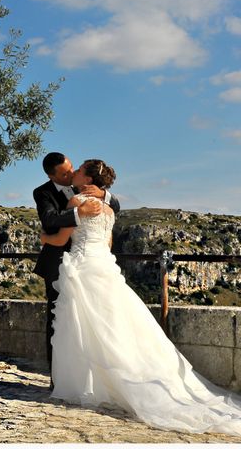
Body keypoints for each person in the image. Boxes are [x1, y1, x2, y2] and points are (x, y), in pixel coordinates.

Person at [40, 159, 241, 436]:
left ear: (87, 179)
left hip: (83, 267)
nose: (73, 172)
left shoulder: (76, 202)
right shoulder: (109, 209)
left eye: (79, 169)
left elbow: (60, 239)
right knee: (114, 326)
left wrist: (43, 238)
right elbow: (108, 242)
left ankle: (87, 385)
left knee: (82, 326)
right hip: (103, 265)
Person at [33, 152, 120, 388]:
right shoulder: (43, 193)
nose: (71, 174)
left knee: (86, 323)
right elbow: (50, 220)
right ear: (52, 176)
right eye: (64, 173)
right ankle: (58, 379)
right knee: (57, 321)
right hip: (60, 265)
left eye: (72, 169)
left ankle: (83, 381)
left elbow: (116, 203)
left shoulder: (94, 195)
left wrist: (102, 193)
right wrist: (78, 214)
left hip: (83, 264)